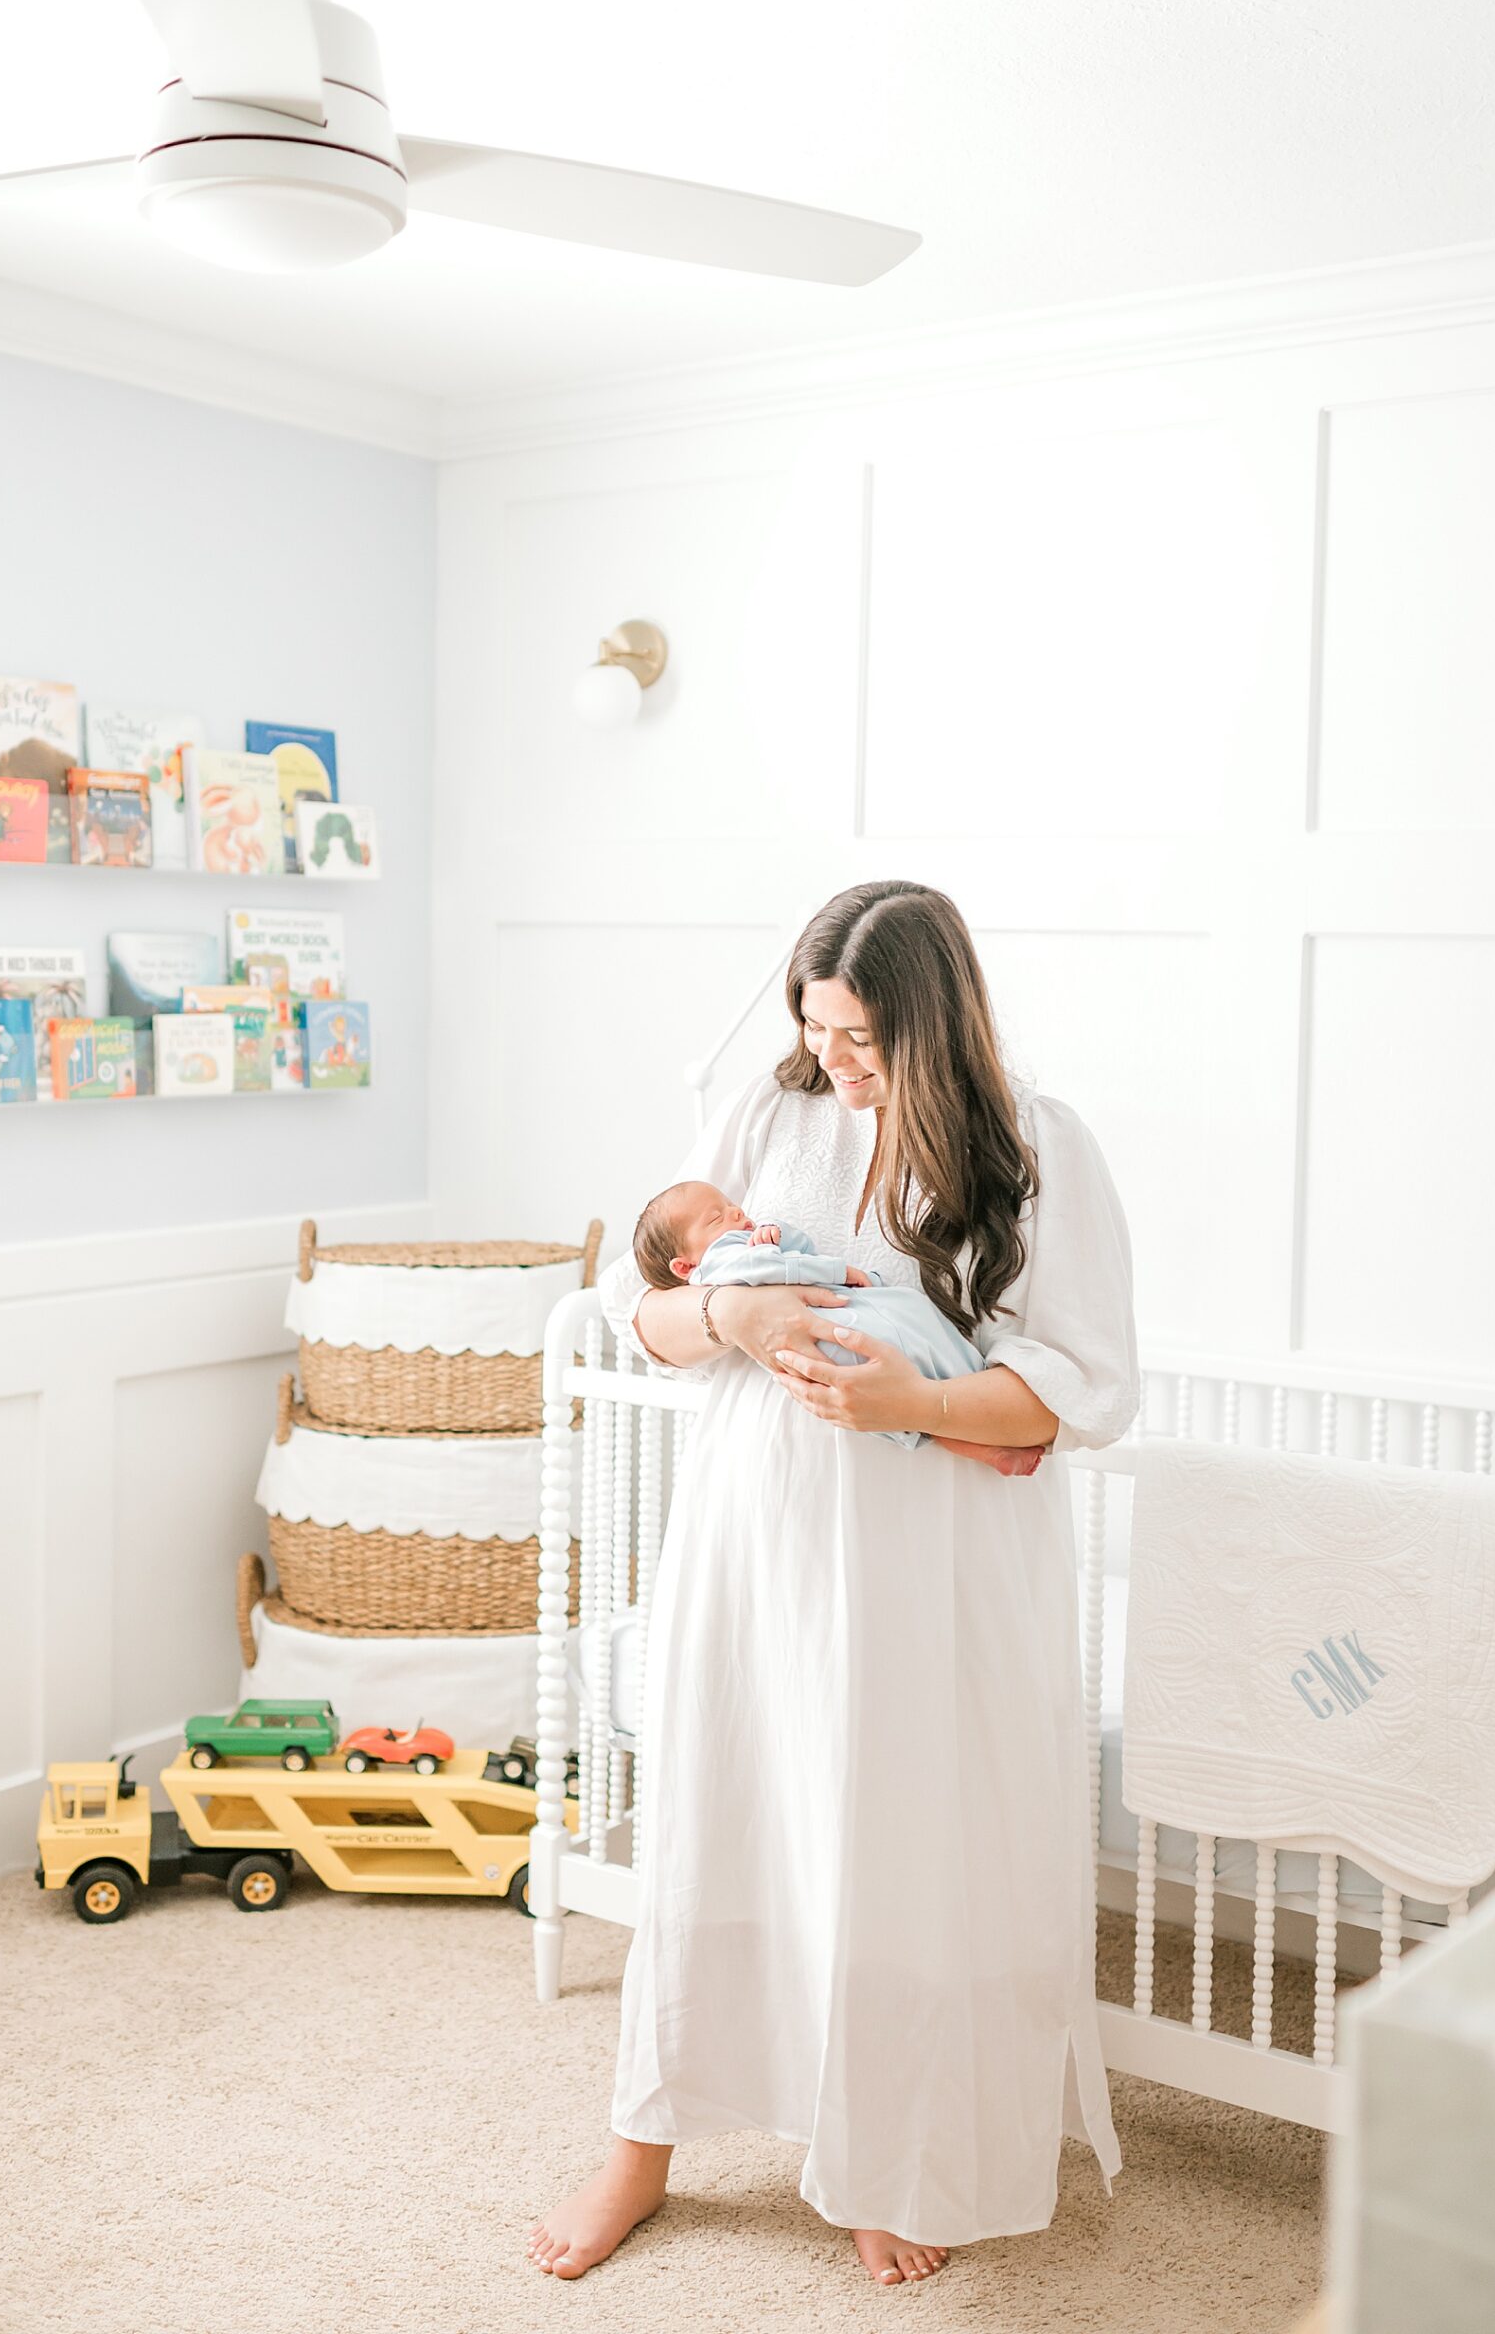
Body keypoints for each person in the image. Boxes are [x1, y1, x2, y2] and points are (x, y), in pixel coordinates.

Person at [527, 880, 1140, 2289]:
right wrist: (727, 1310)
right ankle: (645, 2140)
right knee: (725, 1813)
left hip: (932, 1557)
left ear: (936, 1018)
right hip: (758, 1527)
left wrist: (911, 1409)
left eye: (864, 1036)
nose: (839, 1063)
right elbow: (652, 1309)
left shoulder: (1039, 1148)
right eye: (818, 1029)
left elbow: (1081, 1392)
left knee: (902, 1839)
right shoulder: (774, 1109)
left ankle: (885, 2145)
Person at [630, 1178, 1043, 1463]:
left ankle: (972, 1424)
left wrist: (778, 1234)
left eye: (729, 1205)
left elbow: (794, 1251)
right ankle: (969, 1436)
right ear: (684, 1266)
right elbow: (770, 1270)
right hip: (814, 1341)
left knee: (912, 1333)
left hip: (831, 1316)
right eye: (716, 1218)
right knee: (865, 1380)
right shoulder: (718, 1263)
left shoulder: (737, 1244)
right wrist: (836, 1271)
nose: (735, 1213)